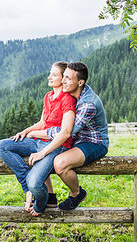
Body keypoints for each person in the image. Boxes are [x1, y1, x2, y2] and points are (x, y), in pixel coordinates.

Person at [0, 61, 76, 216]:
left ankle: (40, 204)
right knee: (2, 146)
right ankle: (27, 185)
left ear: (63, 78)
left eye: (54, 74)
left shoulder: (68, 99)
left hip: (56, 145)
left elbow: (65, 132)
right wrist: (25, 131)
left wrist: (42, 152)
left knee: (35, 183)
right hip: (38, 141)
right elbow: (42, 123)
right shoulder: (48, 96)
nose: (49, 77)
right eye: (50, 73)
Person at [46, 62, 109, 210]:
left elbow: (66, 131)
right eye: (64, 76)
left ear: (80, 82)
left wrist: (40, 133)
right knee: (42, 153)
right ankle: (49, 196)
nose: (63, 81)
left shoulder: (88, 104)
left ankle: (76, 193)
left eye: (68, 78)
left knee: (59, 163)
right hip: (76, 140)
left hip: (94, 142)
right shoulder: (72, 92)